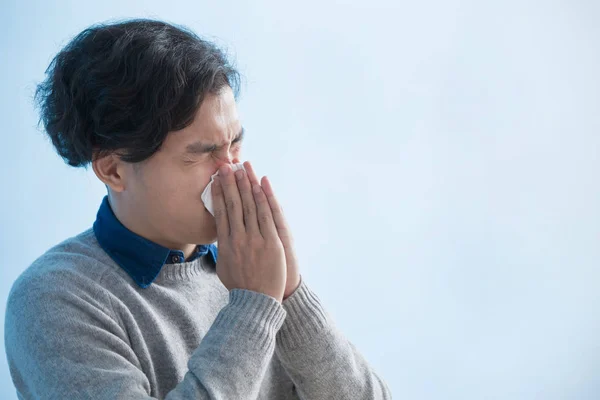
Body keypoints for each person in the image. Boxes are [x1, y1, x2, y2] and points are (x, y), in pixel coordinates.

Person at [4, 18, 392, 399]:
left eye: (235, 145)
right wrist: (254, 307)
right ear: (113, 169)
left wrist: (291, 292)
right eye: (201, 155)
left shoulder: (248, 267)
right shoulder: (53, 298)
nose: (231, 172)